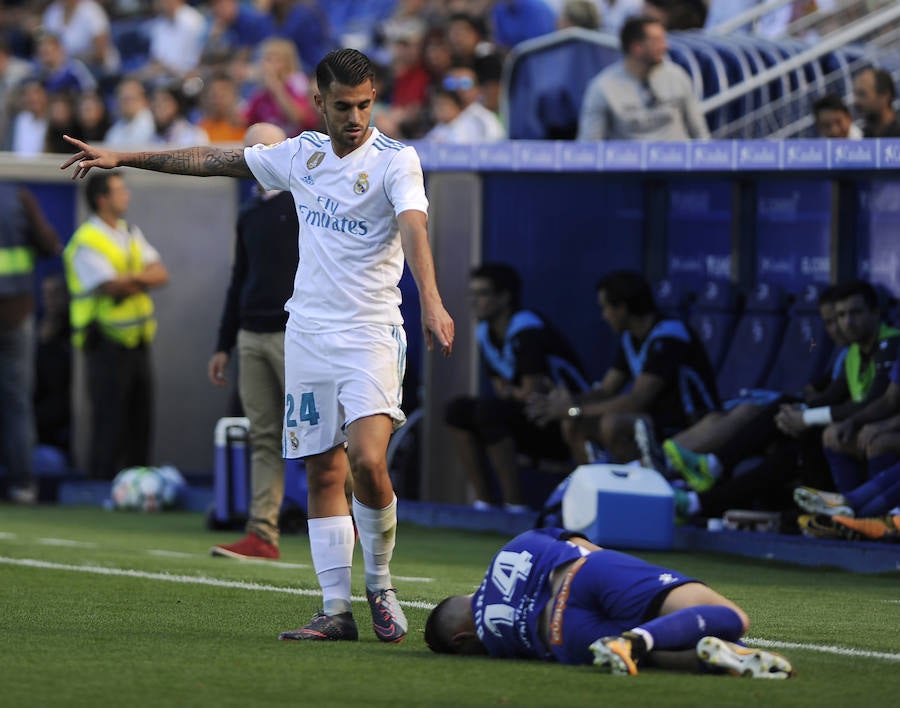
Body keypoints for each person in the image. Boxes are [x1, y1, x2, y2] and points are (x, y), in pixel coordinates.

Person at [60, 48, 455, 644]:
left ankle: (378, 581)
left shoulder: (399, 161)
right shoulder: (301, 154)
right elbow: (212, 159)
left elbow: (413, 226)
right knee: (322, 471)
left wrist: (431, 298)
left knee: (368, 460)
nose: (356, 117)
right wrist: (127, 158)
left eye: (366, 105)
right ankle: (334, 611)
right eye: (344, 106)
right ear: (319, 103)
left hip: (371, 332)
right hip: (307, 336)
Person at [425, 527, 794, 678]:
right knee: (732, 617)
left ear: (461, 639)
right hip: (583, 574)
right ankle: (641, 638)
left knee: (656, 656)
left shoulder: (495, 643)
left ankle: (711, 653)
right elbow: (583, 546)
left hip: (560, 634)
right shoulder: (509, 550)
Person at [208, 122, 299, 561]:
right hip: (251, 334)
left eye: (266, 150)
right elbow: (238, 280)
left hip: (294, 334)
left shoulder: (306, 203)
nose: (256, 159)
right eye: (250, 151)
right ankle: (262, 534)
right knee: (265, 437)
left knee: (321, 436)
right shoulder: (249, 213)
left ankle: (352, 519)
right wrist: (224, 342)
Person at [527, 270, 719, 466]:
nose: (604, 316)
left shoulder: (670, 335)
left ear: (622, 308)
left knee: (613, 424)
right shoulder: (630, 338)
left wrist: (574, 409)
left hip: (691, 420)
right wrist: (564, 403)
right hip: (657, 419)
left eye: (605, 308)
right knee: (573, 424)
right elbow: (606, 390)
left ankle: (642, 488)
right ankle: (596, 487)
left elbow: (636, 400)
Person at [445, 263, 588, 511]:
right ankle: (484, 502)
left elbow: (533, 393)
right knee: (456, 410)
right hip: (528, 415)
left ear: (505, 297)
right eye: (473, 294)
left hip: (561, 422)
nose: (475, 301)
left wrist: (516, 392)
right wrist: (517, 392)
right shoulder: (484, 332)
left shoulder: (527, 328)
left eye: (483, 294)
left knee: (490, 411)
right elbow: (505, 389)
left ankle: (514, 504)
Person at [62, 172, 170, 480]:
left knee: (141, 417)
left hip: (137, 340)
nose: (127, 195)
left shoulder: (130, 232)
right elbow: (111, 286)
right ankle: (101, 485)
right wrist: (140, 278)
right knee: (109, 419)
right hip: (104, 341)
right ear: (102, 200)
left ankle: (136, 483)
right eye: (119, 190)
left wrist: (131, 279)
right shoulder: (86, 240)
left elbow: (161, 274)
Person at [0, 185, 62, 504]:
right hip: (15, 313)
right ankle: (22, 484)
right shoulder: (19, 198)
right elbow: (50, 245)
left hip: (16, 314)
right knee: (17, 402)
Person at [577, 16, 710, 141]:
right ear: (637, 48)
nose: (665, 46)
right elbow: (589, 145)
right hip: (630, 163)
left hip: (678, 161)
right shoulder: (602, 87)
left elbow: (700, 132)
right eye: (657, 41)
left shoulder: (678, 76)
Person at [852, 67, 900, 138]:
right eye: (856, 95)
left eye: (862, 94)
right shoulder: (866, 135)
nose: (856, 102)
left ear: (884, 96)